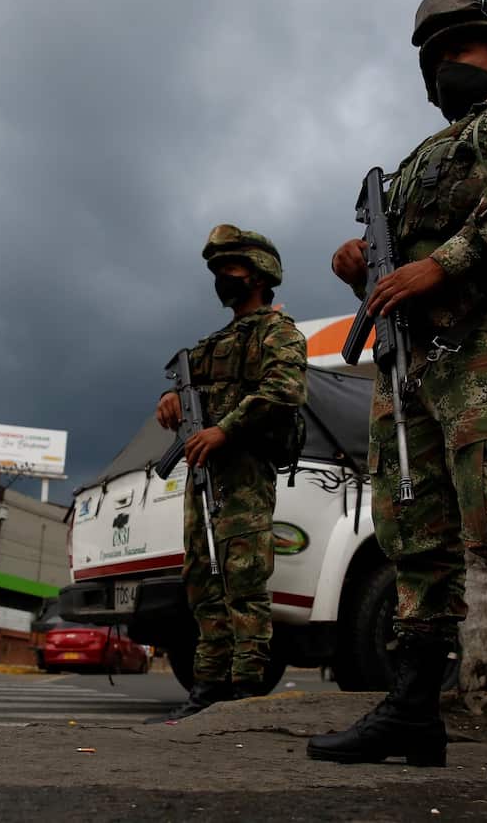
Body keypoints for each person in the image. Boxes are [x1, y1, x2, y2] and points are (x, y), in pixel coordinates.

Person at [308, 0, 487, 793]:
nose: (442, 68)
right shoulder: (416, 163)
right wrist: (365, 264)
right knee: (411, 538)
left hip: (484, 344)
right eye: (431, 59)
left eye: (457, 50)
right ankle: (410, 710)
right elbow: (398, 255)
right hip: (411, 367)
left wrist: (446, 262)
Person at [147, 224, 307, 722]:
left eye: (231, 270)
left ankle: (247, 690)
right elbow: (181, 387)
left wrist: (225, 431)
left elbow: (284, 391)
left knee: (243, 579)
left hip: (243, 473)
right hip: (203, 477)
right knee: (202, 578)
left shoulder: (279, 332)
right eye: (218, 271)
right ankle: (208, 687)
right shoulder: (210, 345)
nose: (223, 278)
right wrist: (170, 400)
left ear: (259, 275)